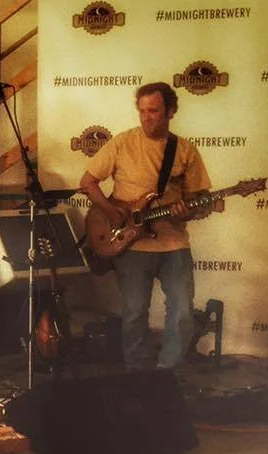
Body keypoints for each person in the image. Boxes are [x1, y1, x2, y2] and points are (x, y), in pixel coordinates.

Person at [79, 81, 218, 371]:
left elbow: (198, 200)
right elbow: (88, 182)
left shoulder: (185, 150)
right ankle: (138, 375)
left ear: (171, 111)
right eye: (142, 111)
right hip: (132, 244)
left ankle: (167, 372)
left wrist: (185, 212)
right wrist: (112, 212)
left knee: (182, 312)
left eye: (153, 111)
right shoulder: (122, 142)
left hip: (174, 243)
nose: (146, 118)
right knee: (134, 313)